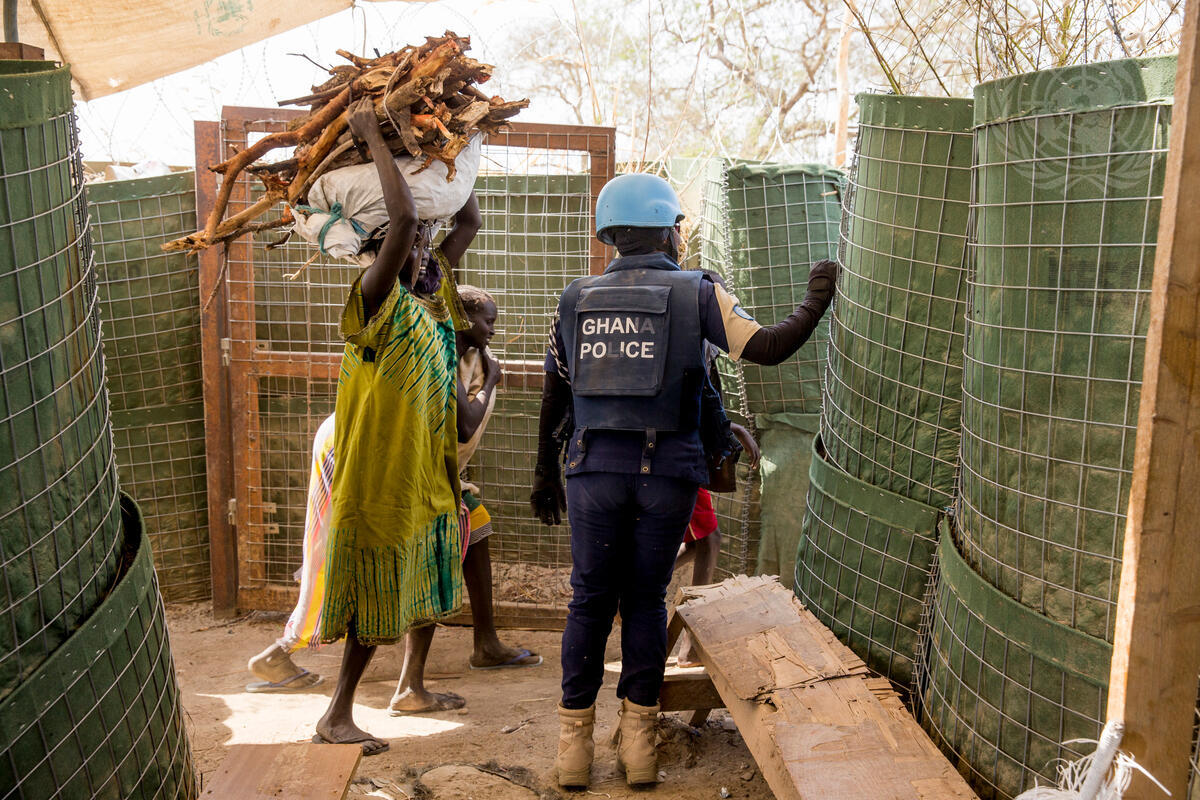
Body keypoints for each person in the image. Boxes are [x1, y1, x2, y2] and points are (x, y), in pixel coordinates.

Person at [530, 172, 837, 788]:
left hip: (592, 471)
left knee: (589, 602)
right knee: (645, 601)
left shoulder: (575, 298)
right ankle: (640, 751)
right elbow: (768, 347)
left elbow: (555, 394)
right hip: (666, 474)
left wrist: (544, 471)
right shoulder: (698, 293)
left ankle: (573, 754)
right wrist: (817, 295)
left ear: (611, 233)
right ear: (668, 231)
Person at [310, 101, 481, 757]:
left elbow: (465, 220)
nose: (421, 251)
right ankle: (336, 714)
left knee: (428, 574)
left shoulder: (430, 301)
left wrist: (458, 148)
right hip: (380, 478)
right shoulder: (374, 301)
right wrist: (370, 138)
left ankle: (412, 687)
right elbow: (406, 218)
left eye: (423, 249)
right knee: (375, 589)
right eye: (408, 248)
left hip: (427, 474)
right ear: (381, 254)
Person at [390, 284, 542, 714]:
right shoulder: (440, 353)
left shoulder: (464, 355)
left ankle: (486, 643)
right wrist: (491, 380)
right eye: (488, 320)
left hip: (437, 474)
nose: (493, 329)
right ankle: (409, 686)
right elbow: (464, 425)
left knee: (476, 527)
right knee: (435, 556)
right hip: (411, 476)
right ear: (463, 318)